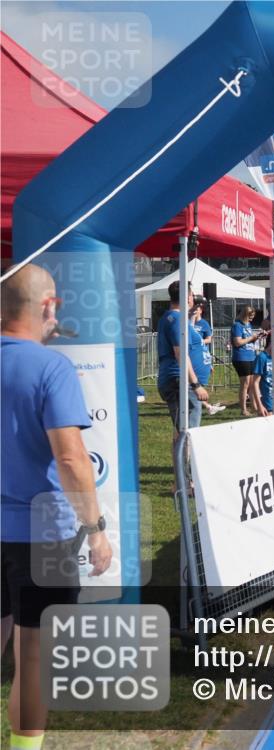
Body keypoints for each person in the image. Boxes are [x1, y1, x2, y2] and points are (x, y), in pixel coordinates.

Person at [1, 264, 113, 749]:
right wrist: (97, 527)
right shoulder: (50, 366)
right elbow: (71, 457)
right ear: (47, 306)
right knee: (34, 654)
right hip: (41, 537)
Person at [158, 281, 210, 435]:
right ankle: (187, 460)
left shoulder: (174, 318)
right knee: (189, 433)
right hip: (181, 382)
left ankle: (182, 459)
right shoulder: (177, 321)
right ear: (188, 297)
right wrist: (195, 385)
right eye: (192, 295)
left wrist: (190, 315)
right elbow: (181, 354)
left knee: (181, 432)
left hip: (178, 381)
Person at [231, 305, 263, 416]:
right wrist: (251, 338)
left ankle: (254, 406)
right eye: (250, 317)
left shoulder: (248, 325)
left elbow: (248, 340)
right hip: (241, 357)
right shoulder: (237, 326)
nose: (252, 319)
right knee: (245, 383)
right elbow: (237, 342)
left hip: (251, 356)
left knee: (251, 383)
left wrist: (257, 338)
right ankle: (243, 409)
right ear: (245, 315)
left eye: (253, 317)